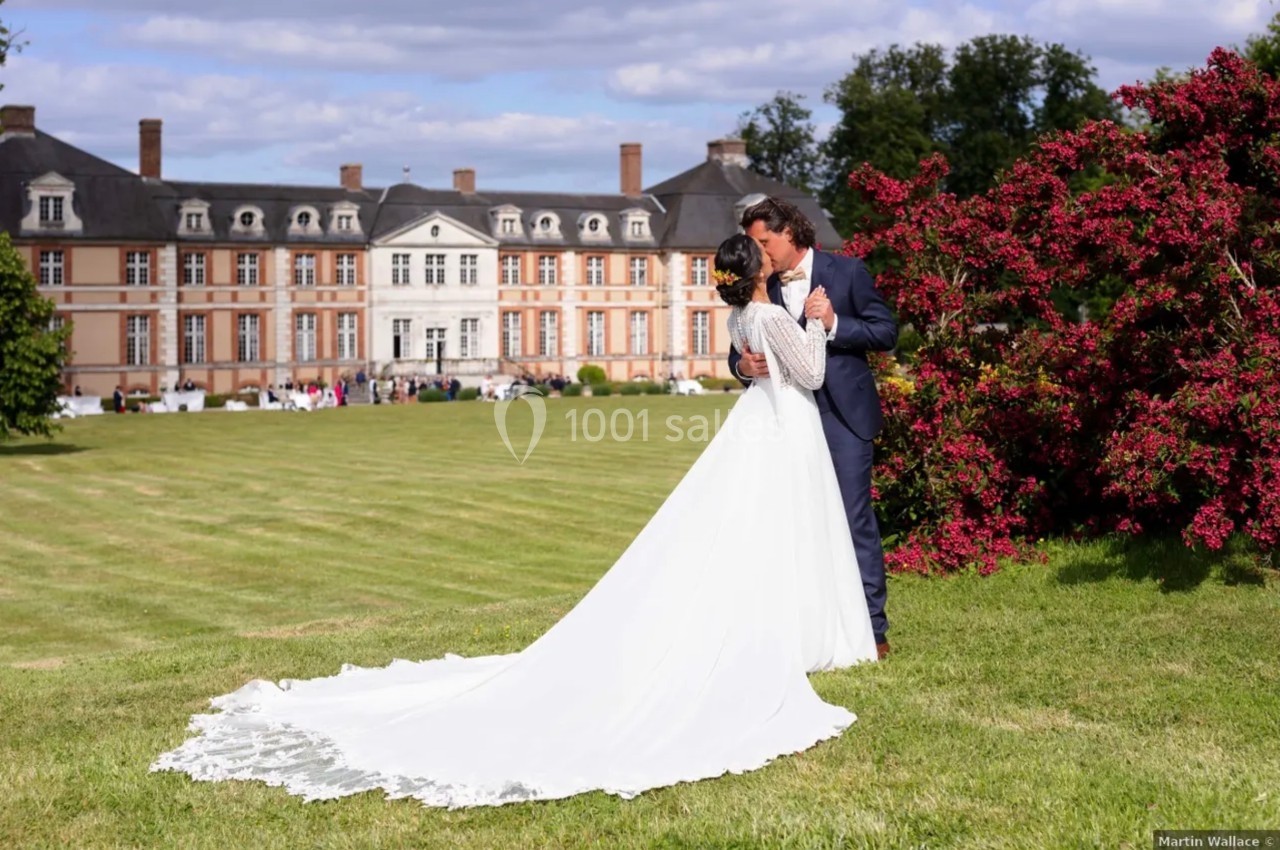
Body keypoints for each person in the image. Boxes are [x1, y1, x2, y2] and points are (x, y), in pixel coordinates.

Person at [153, 233, 878, 808]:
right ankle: (806, 632)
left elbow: (768, 364)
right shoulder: (774, 311)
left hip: (768, 425)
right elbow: (810, 374)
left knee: (765, 532)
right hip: (784, 426)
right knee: (787, 530)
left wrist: (776, 346)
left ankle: (791, 628)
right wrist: (816, 324)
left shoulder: (746, 313)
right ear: (757, 273)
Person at [733, 197, 898, 660]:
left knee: (851, 520)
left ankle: (871, 629)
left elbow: (885, 332)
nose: (760, 253)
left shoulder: (847, 272)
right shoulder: (759, 284)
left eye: (764, 242)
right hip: (783, 418)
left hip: (843, 417)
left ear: (790, 233)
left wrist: (832, 322)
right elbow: (741, 346)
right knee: (791, 521)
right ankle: (806, 626)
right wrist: (743, 364)